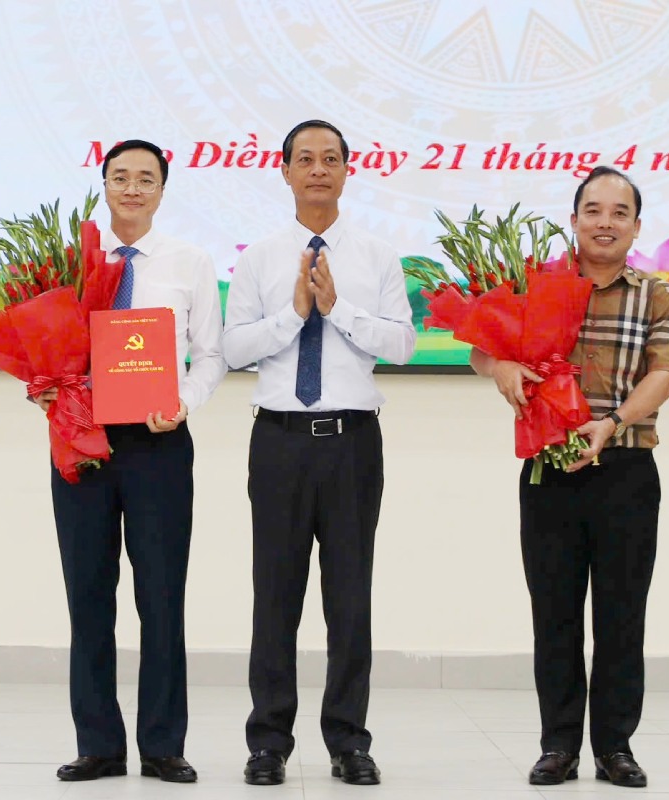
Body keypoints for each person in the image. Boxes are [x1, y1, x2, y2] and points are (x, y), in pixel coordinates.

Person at [471, 166, 669, 789]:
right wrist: (502, 367)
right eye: (592, 210)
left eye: (618, 212)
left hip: (624, 467)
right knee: (555, 613)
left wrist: (613, 422)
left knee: (622, 614)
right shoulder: (534, 284)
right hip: (550, 471)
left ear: (636, 226)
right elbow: (480, 346)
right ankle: (558, 745)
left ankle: (615, 747)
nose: (604, 222)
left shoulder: (656, 294)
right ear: (573, 220)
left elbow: (667, 373)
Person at [222, 119, 416, 787]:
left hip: (352, 444)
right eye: (305, 159)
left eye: (330, 159)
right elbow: (233, 348)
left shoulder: (376, 255)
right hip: (277, 441)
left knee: (349, 597)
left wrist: (337, 310)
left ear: (346, 170)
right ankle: (269, 741)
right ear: (284, 171)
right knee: (274, 594)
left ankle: (348, 741)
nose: (318, 170)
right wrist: (292, 314)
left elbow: (401, 346)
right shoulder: (260, 257)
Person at [36, 139, 226, 783]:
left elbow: (214, 353)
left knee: (162, 595)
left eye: (146, 178)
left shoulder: (189, 262)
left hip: (158, 444)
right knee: (88, 594)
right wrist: (44, 387)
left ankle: (163, 744)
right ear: (104, 185)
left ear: (163, 189)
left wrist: (185, 402)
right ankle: (98, 743)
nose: (133, 188)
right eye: (121, 177)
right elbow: (46, 346)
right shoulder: (72, 262)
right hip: (81, 443)